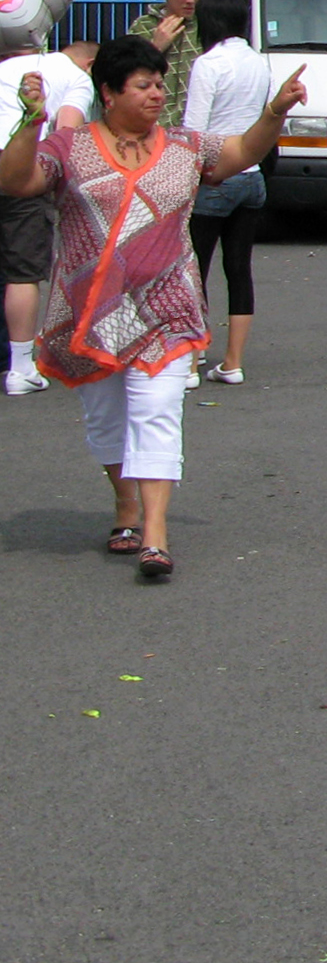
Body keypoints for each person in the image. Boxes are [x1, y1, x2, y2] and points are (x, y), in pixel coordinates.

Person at [0, 35, 308, 581]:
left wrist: (273, 112)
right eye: (143, 85)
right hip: (90, 314)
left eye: (160, 84)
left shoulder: (185, 146)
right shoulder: (68, 147)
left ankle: (156, 536)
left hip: (167, 309)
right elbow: (15, 180)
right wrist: (31, 121)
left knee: (157, 414)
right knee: (107, 421)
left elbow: (238, 153)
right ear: (109, 93)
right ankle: (126, 506)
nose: (156, 94)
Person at [182, 0, 274, 385]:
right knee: (238, 269)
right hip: (251, 176)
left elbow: (194, 130)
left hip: (214, 175)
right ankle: (232, 362)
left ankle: (189, 361)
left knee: (193, 270)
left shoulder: (208, 63)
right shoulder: (259, 63)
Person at [0, 37, 96, 397]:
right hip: (20, 167)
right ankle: (22, 368)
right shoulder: (77, 78)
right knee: (22, 272)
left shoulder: (8, 66)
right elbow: (65, 133)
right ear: (88, 64)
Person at [128, 0, 207, 127]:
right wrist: (155, 47)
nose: (190, 0)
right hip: (152, 126)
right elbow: (125, 73)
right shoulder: (143, 26)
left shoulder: (207, 25)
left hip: (195, 127)